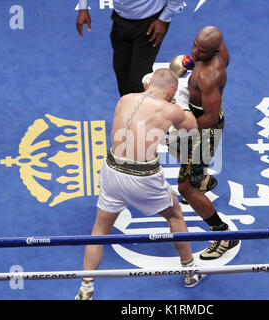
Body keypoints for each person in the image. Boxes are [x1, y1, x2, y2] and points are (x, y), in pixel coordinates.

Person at [75, 69, 203, 300]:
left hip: (112, 171)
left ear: (148, 85)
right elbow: (191, 129)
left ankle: (86, 288)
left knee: (99, 230)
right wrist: (182, 103)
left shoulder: (124, 99)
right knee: (175, 215)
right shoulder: (171, 108)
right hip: (143, 177)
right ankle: (190, 271)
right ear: (171, 92)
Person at [172, 26, 239, 260]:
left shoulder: (211, 75)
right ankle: (202, 179)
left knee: (185, 188)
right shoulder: (214, 50)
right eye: (194, 45)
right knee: (177, 150)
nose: (194, 51)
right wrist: (193, 63)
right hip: (198, 115)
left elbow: (209, 118)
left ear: (213, 52)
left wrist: (182, 126)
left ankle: (223, 235)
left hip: (204, 128)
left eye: (200, 50)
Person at [76, 0, 184, 96]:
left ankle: (143, 116)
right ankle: (129, 112)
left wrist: (164, 18)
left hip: (151, 22)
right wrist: (83, 8)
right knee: (122, 72)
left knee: (139, 80)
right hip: (120, 19)